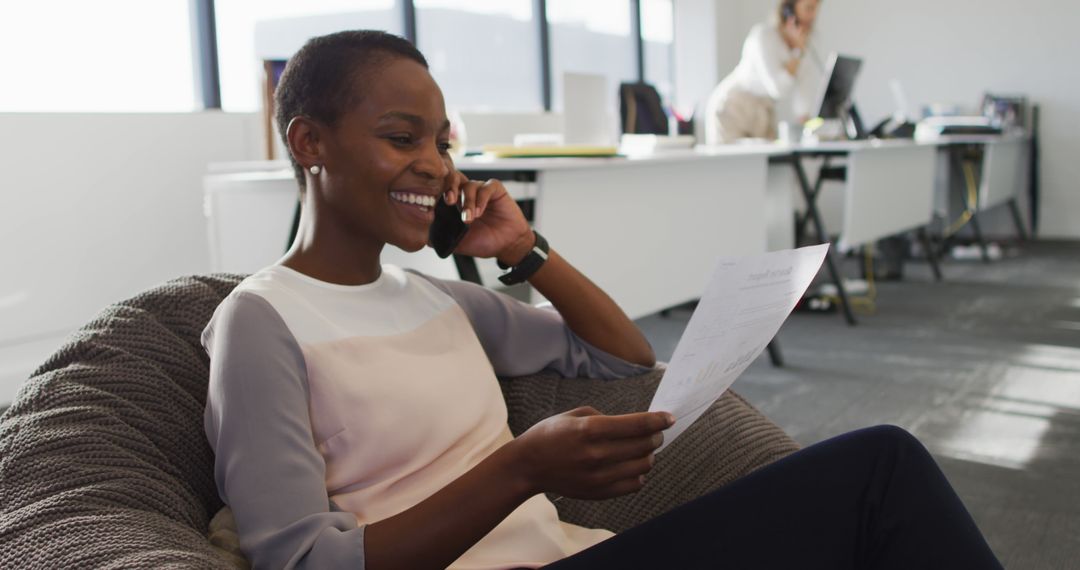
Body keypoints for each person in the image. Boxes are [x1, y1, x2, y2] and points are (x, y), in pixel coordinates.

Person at [202, 30, 1003, 569]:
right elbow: (300, 558)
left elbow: (622, 354)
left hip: (566, 549)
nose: (439, 165)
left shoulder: (434, 299)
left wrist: (524, 250)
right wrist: (519, 469)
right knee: (879, 470)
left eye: (444, 142)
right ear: (310, 144)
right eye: (404, 137)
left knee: (877, 484)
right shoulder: (261, 321)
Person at [705, 0, 826, 144]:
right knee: (732, 165)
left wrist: (813, 131)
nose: (812, 17)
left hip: (763, 113)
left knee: (765, 164)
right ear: (789, 9)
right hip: (732, 110)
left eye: (816, 10)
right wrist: (797, 52)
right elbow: (778, 89)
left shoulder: (803, 49)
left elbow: (803, 102)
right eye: (809, 8)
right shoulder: (763, 36)